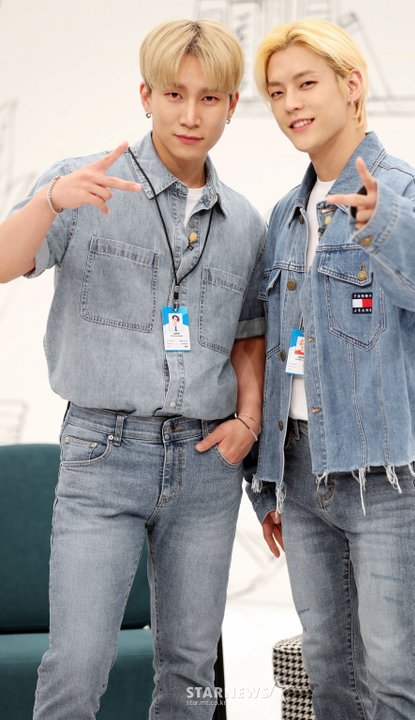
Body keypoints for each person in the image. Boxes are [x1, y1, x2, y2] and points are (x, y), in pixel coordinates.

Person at [0, 19, 265, 720]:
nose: (190, 114)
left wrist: (248, 420)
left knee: (191, 668)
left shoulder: (244, 222)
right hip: (103, 454)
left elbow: (249, 335)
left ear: (231, 107)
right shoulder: (84, 182)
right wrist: (49, 202)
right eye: (174, 94)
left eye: (209, 98)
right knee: (77, 664)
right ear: (145, 96)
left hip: (207, 466)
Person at [247, 18, 415, 720]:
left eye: (306, 83)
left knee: (395, 679)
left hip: (385, 478)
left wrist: (384, 222)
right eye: (276, 91)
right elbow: (276, 353)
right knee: (330, 676)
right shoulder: (286, 215)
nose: (291, 103)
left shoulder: (399, 189)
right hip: (301, 471)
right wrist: (266, 481)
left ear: (351, 85)